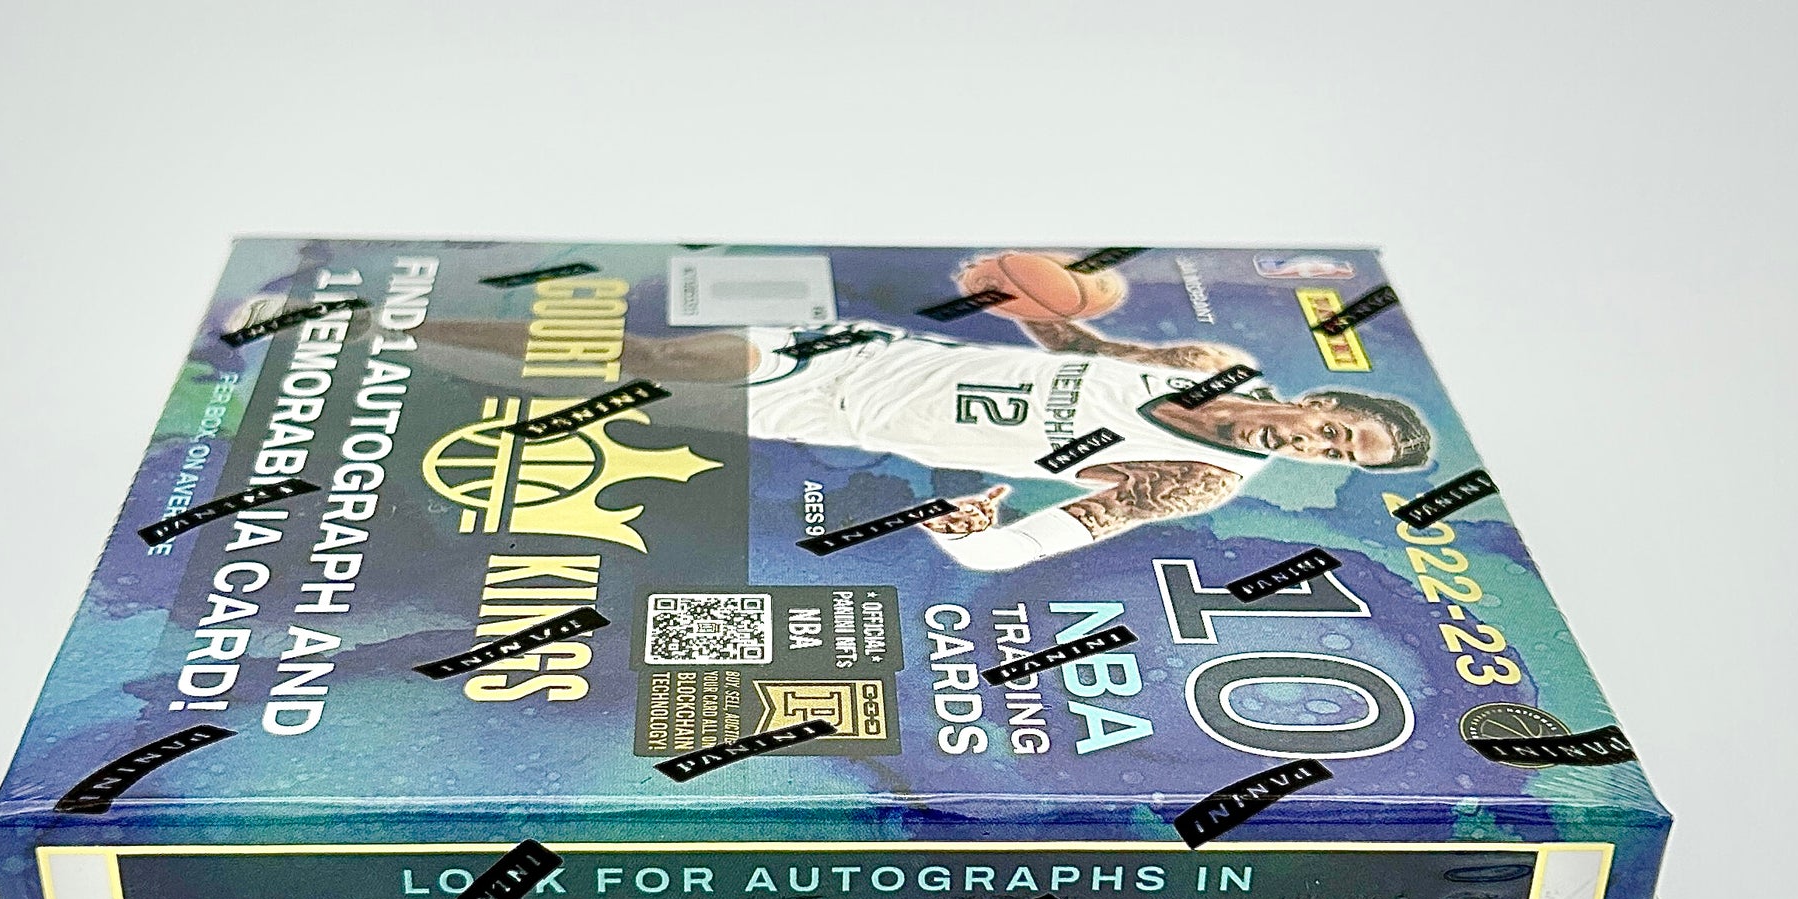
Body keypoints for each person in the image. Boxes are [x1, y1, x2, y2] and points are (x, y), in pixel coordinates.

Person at [418, 271, 1434, 571]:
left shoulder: (1198, 481)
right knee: (654, 354)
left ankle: (429, 371)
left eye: (1335, 460)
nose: (1315, 447)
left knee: (615, 393)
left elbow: (1021, 547)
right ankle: (406, 326)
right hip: (863, 353)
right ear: (1324, 402)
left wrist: (972, 532)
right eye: (1335, 430)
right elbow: (1085, 350)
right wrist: (1020, 295)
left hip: (827, 414)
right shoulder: (1211, 361)